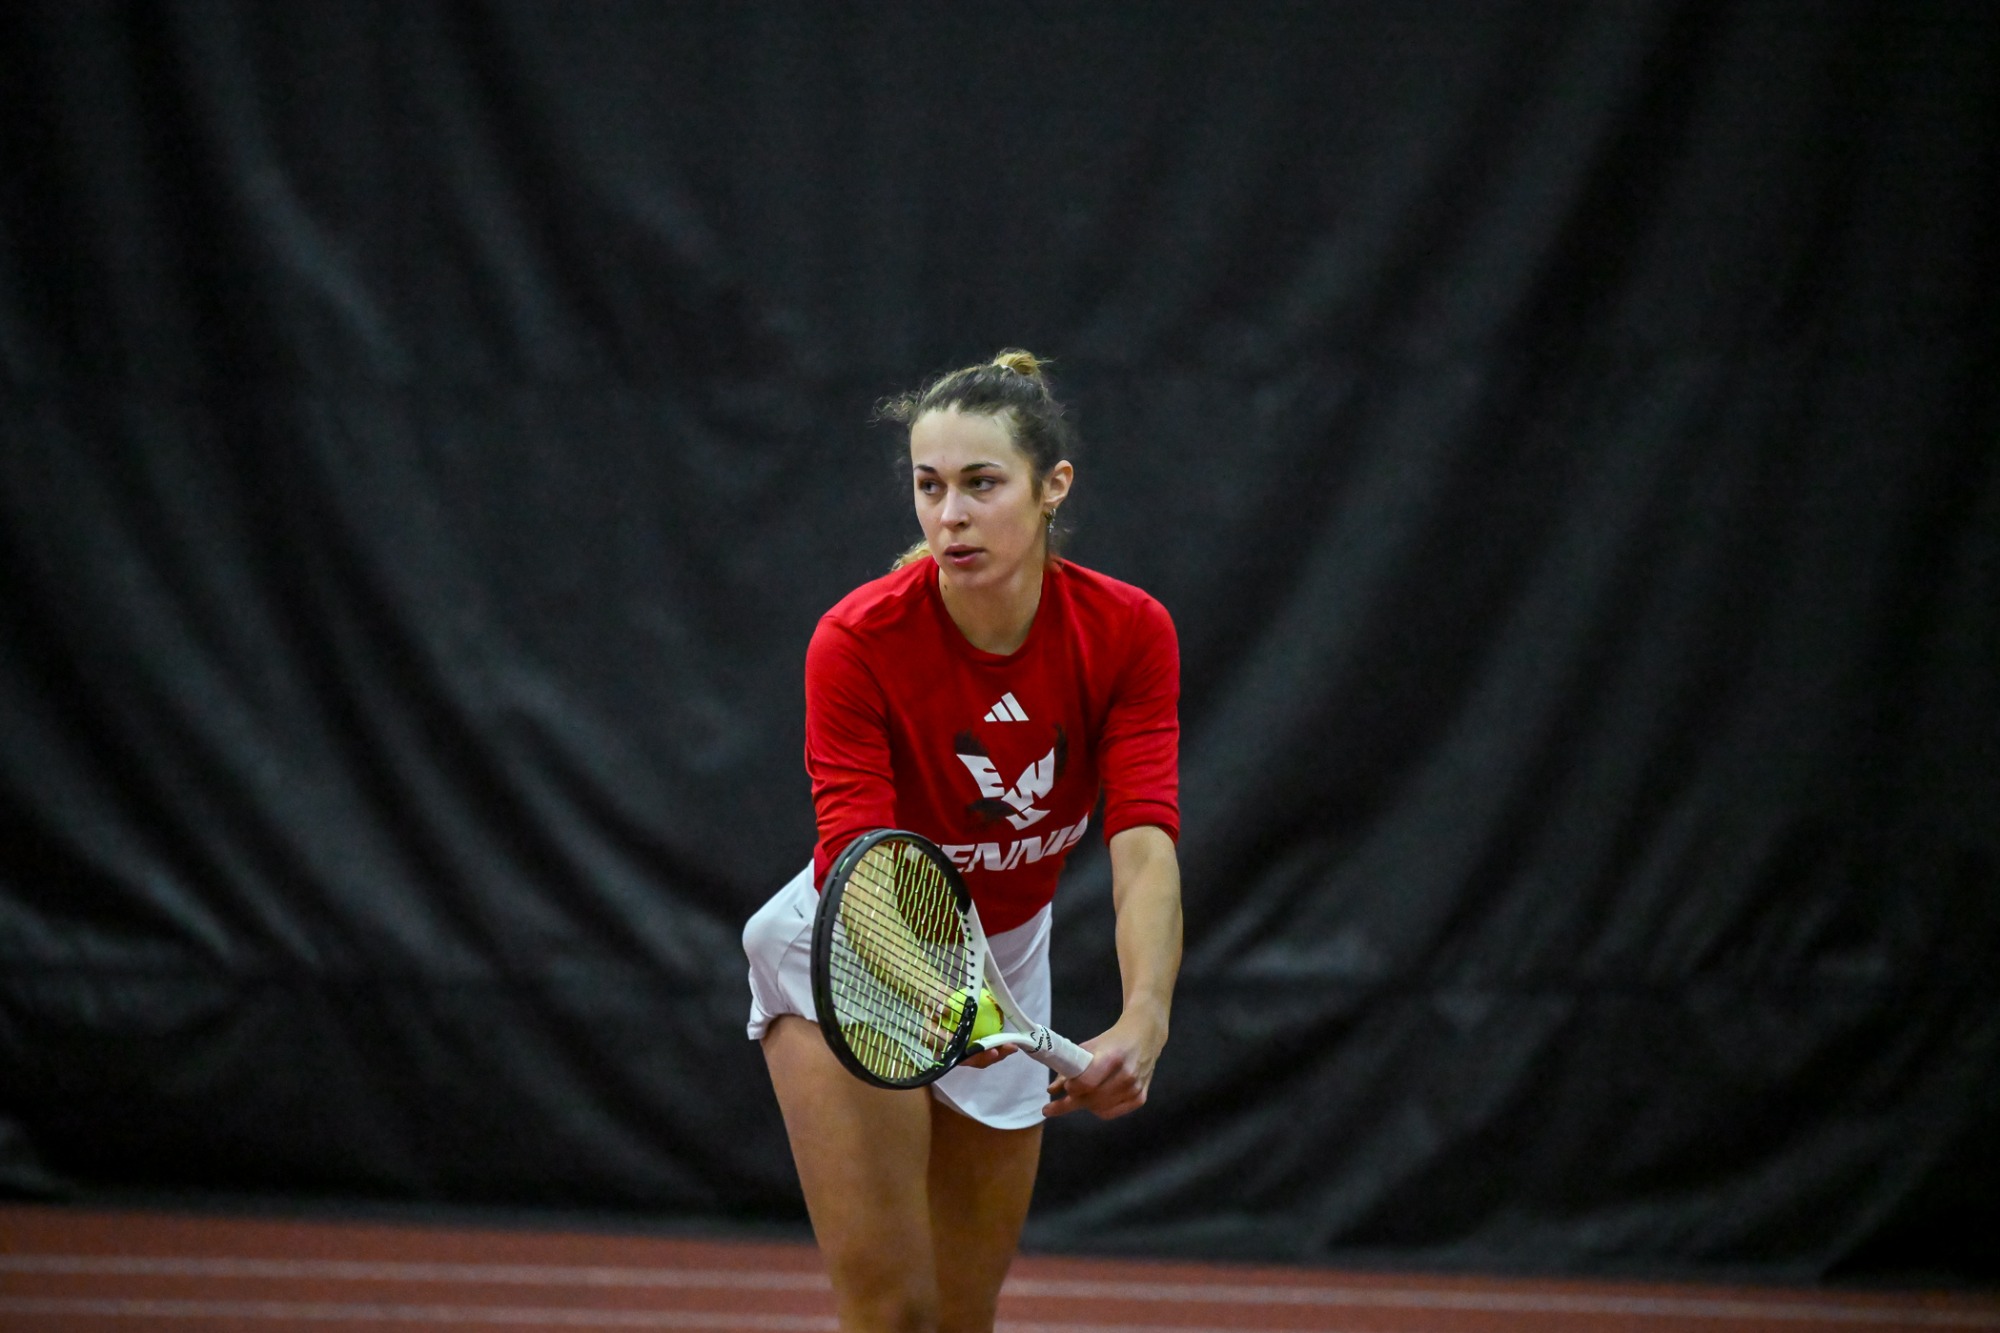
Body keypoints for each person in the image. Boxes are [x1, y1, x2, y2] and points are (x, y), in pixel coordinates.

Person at [741, 349, 1183, 1333]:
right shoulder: (856, 642)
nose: (950, 515)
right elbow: (859, 863)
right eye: (929, 486)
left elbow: (1144, 840)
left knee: (962, 1315)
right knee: (895, 1313)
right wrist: (950, 1009)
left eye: (982, 484)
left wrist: (1145, 1016)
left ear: (1052, 486)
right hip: (853, 955)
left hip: (1004, 965)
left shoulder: (1128, 631)